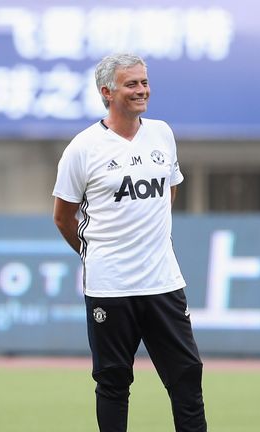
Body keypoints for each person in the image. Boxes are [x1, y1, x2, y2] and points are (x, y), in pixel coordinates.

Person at [52, 53, 207, 432]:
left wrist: (150, 236)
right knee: (113, 382)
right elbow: (63, 216)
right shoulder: (83, 148)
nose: (142, 90)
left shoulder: (162, 134)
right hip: (110, 286)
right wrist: (98, 254)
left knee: (187, 377)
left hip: (163, 282)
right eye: (131, 84)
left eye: (144, 82)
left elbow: (169, 191)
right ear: (107, 91)